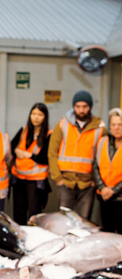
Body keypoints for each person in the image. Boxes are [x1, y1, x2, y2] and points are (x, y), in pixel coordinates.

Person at [48, 90, 107, 219]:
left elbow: (103, 156)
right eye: (78, 106)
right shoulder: (63, 124)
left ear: (90, 107)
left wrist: (94, 181)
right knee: (65, 220)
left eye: (85, 107)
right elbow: (52, 152)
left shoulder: (100, 127)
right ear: (73, 107)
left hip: (87, 183)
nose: (81, 110)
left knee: (84, 221)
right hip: (65, 181)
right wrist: (57, 178)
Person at [10, 103, 52, 225]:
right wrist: (16, 150)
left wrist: (31, 156)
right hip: (19, 179)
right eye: (33, 114)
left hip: (35, 181)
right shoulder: (24, 130)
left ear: (45, 117)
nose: (36, 117)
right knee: (18, 212)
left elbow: (48, 158)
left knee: (34, 214)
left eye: (39, 114)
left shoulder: (49, 134)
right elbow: (11, 145)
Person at [93, 108, 122, 233]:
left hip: (120, 198)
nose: (116, 128)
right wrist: (103, 188)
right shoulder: (102, 141)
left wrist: (113, 191)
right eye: (113, 124)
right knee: (107, 233)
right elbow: (95, 166)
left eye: (120, 124)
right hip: (104, 197)